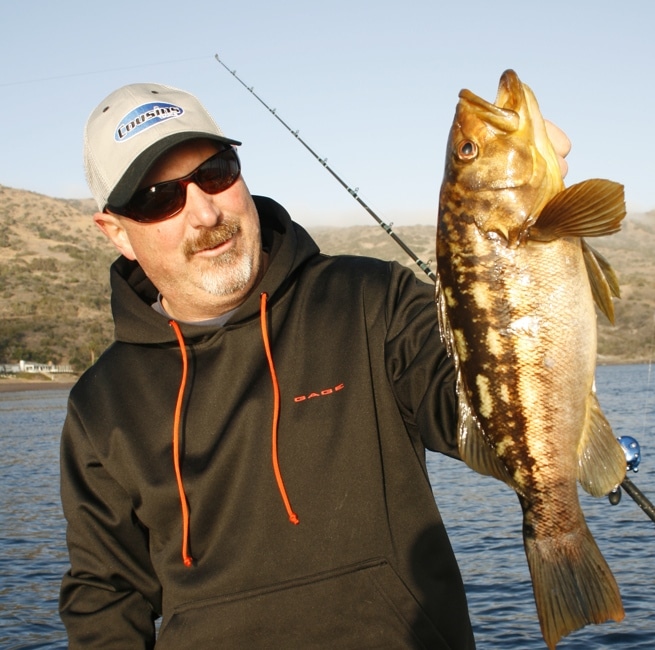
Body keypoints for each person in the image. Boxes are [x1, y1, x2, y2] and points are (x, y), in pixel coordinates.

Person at [59, 82, 570, 649]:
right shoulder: (101, 403)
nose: (204, 212)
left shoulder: (373, 300)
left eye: (217, 171)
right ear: (117, 233)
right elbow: (106, 594)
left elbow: (476, 413)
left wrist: (526, 230)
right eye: (159, 198)